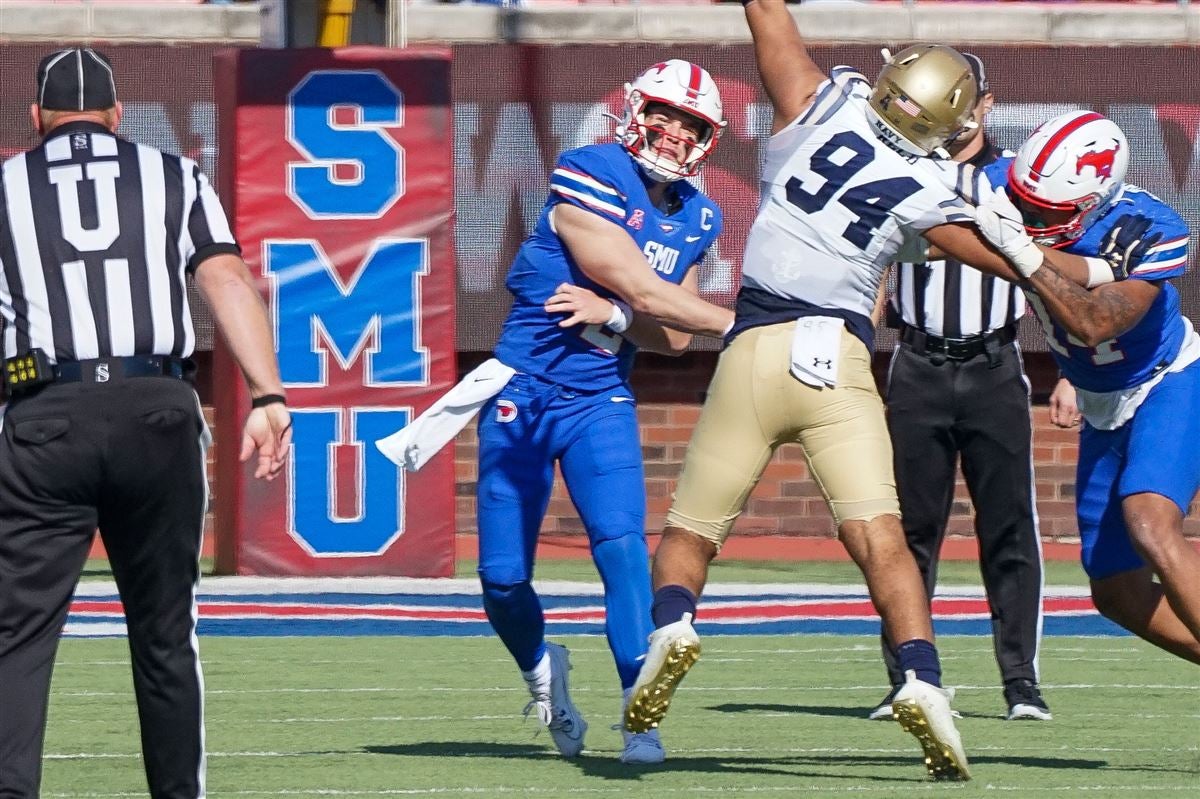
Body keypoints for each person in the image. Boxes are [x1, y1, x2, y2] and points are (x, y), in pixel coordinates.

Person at [617, 1, 1127, 782]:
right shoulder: (933, 183)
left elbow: (768, 16)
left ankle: (674, 624)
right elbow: (1025, 268)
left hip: (755, 342)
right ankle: (923, 675)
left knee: (691, 529)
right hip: (842, 362)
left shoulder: (818, 103)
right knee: (882, 537)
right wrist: (1081, 292)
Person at [0, 48, 291, 798]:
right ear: (118, 115)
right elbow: (224, 276)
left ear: (36, 118)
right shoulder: (176, 175)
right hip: (155, 409)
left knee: (17, 636)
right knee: (165, 632)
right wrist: (267, 396)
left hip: (44, 416)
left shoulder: (5, 184)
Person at [475, 59, 734, 766]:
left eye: (693, 124)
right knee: (500, 576)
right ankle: (540, 669)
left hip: (599, 398)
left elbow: (669, 332)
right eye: (667, 114)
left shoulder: (700, 215)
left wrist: (615, 314)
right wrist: (738, 325)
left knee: (621, 553)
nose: (676, 133)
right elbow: (636, 282)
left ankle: (638, 712)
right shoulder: (588, 168)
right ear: (635, 111)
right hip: (522, 392)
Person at [970, 110, 1200, 671]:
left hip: (1166, 380)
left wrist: (1025, 254)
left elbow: (1096, 324)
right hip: (1102, 403)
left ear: (1096, 200)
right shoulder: (997, 182)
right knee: (1115, 590)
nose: (1026, 214)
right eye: (1022, 200)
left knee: (1150, 521)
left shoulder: (1150, 226)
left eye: (1044, 211)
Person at [872, 53, 1050, 724]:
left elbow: (1051, 267)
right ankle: (908, 679)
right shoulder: (900, 169)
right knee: (906, 530)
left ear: (985, 104)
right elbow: (875, 264)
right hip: (916, 363)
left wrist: (1076, 369)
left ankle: (1021, 680)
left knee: (1008, 527)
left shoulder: (1016, 180)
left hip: (994, 364)